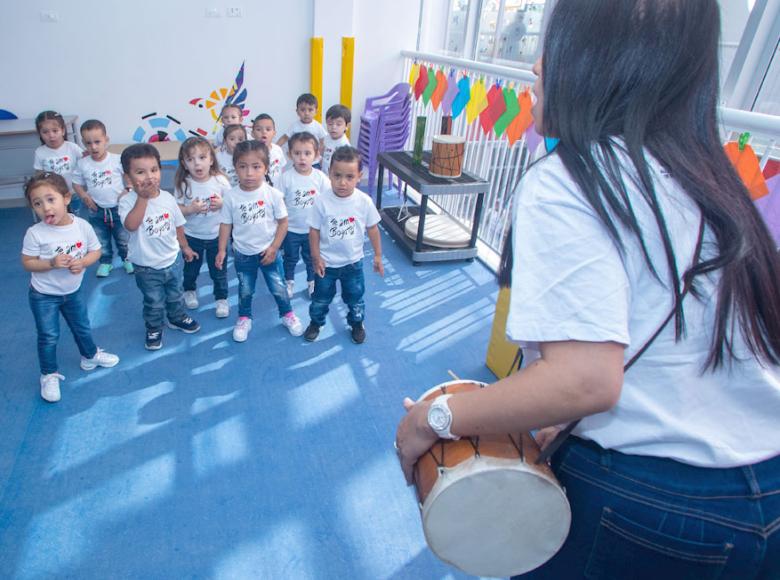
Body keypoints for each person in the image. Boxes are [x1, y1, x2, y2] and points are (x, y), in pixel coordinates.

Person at [395, 0, 780, 577]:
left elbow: (587, 379)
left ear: (596, 61)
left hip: (653, 506)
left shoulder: (570, 180)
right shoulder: (708, 175)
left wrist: (434, 419)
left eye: (554, 46)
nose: (535, 69)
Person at [22, 173, 119, 402]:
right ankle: (49, 374)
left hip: (72, 291)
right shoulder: (35, 233)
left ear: (66, 198)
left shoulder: (81, 226)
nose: (45, 208)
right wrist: (50, 263)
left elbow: (95, 251)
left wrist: (83, 263)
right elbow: (27, 262)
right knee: (48, 335)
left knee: (82, 327)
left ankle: (89, 356)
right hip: (43, 296)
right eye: (37, 203)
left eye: (50, 199)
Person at [215, 140, 304, 342]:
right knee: (245, 289)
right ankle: (244, 317)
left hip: (269, 253)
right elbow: (225, 225)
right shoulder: (230, 196)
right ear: (234, 167)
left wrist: (274, 248)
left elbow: (283, 223)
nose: (249, 173)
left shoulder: (272, 194)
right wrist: (222, 249)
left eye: (256, 167)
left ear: (265, 168)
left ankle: (287, 314)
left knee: (279, 287)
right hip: (243, 255)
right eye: (243, 167)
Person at [118, 144, 201, 351]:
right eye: (140, 172)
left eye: (154, 170)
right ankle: (154, 327)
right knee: (154, 301)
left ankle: (177, 317)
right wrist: (143, 199)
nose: (149, 177)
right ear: (128, 178)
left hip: (172, 260)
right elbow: (131, 225)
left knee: (176, 294)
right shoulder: (127, 202)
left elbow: (178, 225)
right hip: (146, 267)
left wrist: (185, 247)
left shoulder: (167, 198)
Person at [304, 146, 383, 344]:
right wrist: (316, 257)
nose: (342, 182)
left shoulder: (364, 201)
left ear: (359, 176)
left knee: (355, 298)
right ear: (329, 173)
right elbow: (313, 231)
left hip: (353, 264)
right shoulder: (321, 201)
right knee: (320, 299)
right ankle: (316, 322)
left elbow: (373, 228)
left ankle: (356, 323)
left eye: (349, 176)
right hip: (326, 264)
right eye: (337, 175)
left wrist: (378, 255)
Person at [173, 136, 231, 318]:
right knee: (191, 270)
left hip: (216, 237)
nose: (197, 164)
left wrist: (222, 203)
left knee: (219, 271)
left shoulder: (220, 181)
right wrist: (190, 209)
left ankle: (221, 298)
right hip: (192, 236)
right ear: (184, 163)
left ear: (211, 159)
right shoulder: (184, 184)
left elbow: (233, 204)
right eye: (190, 159)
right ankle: (189, 290)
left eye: (202, 158)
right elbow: (175, 211)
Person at [72, 119, 133, 277]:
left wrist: (128, 189)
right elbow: (76, 183)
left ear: (106, 140)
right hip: (96, 210)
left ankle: (127, 259)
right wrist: (84, 196)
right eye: (88, 143)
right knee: (101, 239)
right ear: (84, 144)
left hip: (118, 207)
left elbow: (129, 175)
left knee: (123, 237)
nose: (93, 147)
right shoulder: (83, 163)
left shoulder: (116, 159)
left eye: (97, 142)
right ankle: (106, 262)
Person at [277, 132, 330, 299]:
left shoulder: (320, 178)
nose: (302, 158)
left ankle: (312, 282)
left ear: (316, 155)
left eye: (307, 153)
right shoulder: (285, 178)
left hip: (312, 231)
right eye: (297, 153)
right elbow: (278, 201)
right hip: (291, 230)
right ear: (289, 155)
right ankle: (289, 281)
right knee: (290, 259)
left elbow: (329, 201)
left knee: (312, 258)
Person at [32, 110, 84, 214]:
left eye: (55, 131)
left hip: (73, 191)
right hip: (53, 194)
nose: (51, 135)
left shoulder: (72, 147)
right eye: (45, 132)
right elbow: (39, 173)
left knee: (75, 217)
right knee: (59, 216)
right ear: (40, 134)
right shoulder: (40, 152)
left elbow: (85, 161)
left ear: (63, 131)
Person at [251, 113, 286, 183]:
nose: (264, 132)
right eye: (258, 129)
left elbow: (282, 168)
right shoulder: (250, 153)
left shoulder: (277, 149)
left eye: (268, 129)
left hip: (277, 189)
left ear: (274, 133)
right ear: (252, 133)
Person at [322, 104, 351, 175]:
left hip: (336, 176)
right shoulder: (326, 137)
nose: (333, 127)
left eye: (338, 124)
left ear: (347, 126)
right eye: (330, 124)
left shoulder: (344, 145)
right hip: (324, 173)